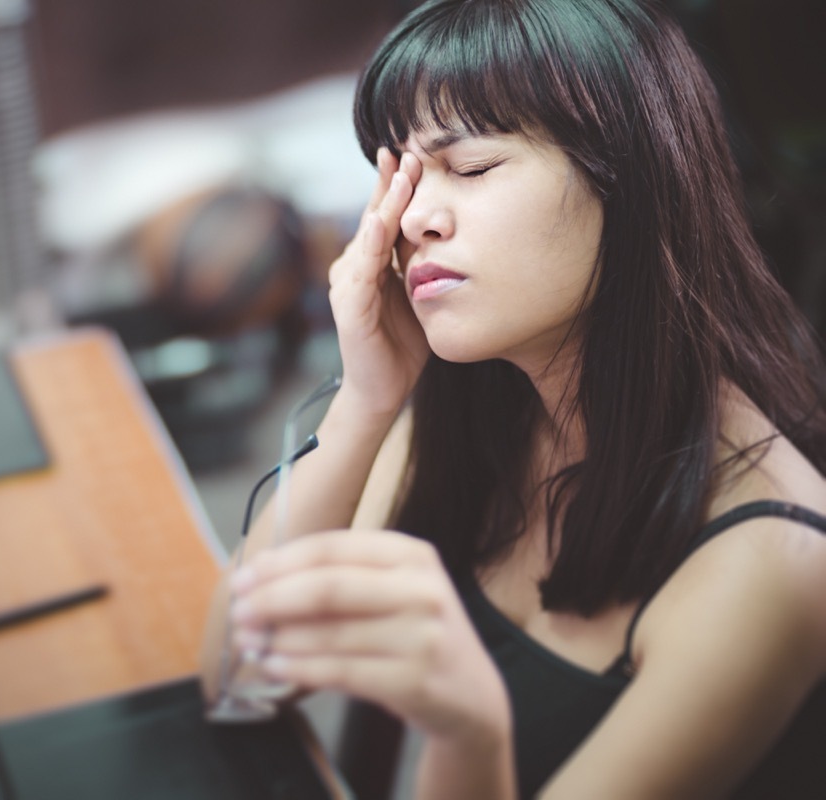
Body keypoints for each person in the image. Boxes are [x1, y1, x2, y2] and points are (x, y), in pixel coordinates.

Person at [198, 0, 826, 796]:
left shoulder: (773, 563)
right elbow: (236, 677)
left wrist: (468, 732)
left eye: (470, 168)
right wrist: (364, 402)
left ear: (631, 181)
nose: (415, 219)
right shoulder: (469, 404)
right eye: (402, 176)